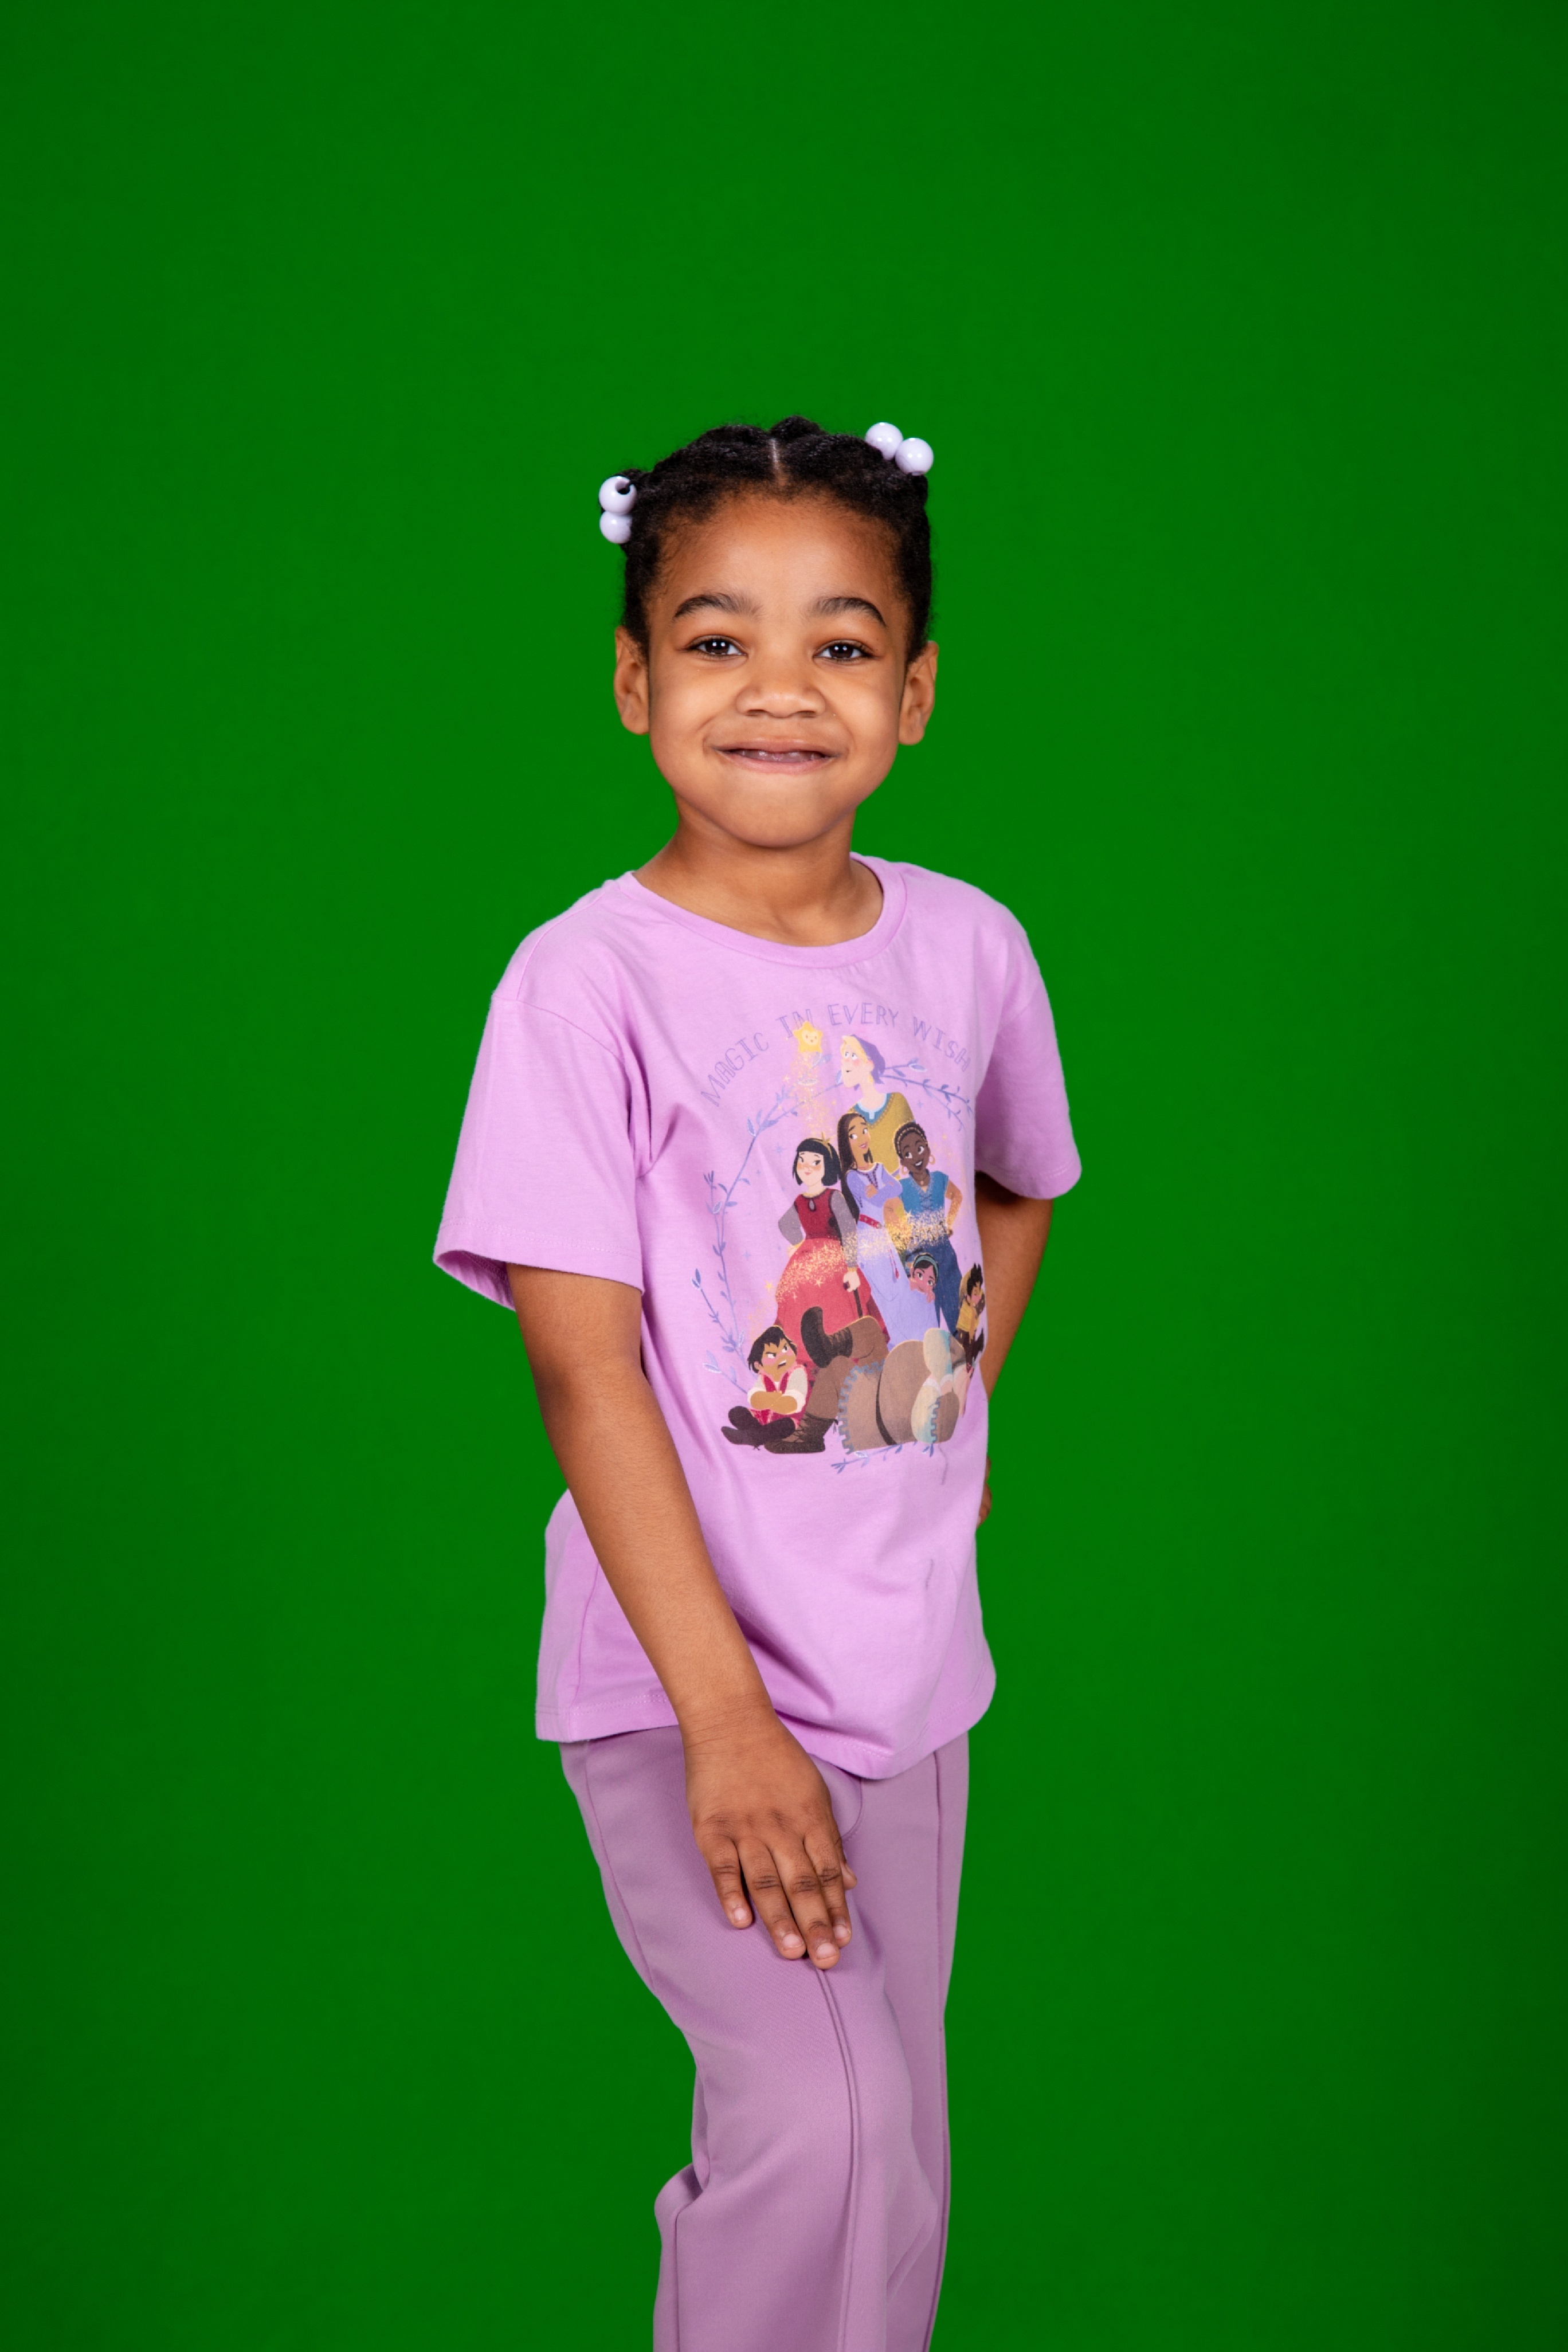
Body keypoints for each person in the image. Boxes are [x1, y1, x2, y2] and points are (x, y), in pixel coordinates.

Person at [434, 414, 1081, 2352]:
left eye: (840, 642)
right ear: (635, 681)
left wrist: (945, 1412)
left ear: (915, 690)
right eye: (717, 639)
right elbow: (580, 1365)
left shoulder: (970, 947)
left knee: (895, 2164)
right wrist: (724, 1721)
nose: (780, 688)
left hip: (910, 1667)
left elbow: (1015, 1185)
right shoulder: (585, 983)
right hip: (688, 1675)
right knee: (822, 2122)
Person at [774, 1135, 880, 1359]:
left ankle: (846, 1354)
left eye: (815, 1162)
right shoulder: (800, 1200)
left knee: (838, 1308)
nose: (807, 1167)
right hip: (807, 1261)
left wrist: (852, 1269)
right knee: (803, 1303)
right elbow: (785, 1224)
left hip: (834, 1261)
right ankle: (809, 1356)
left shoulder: (834, 1197)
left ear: (827, 1167)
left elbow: (849, 1231)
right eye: (802, 1160)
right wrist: (798, 1243)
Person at [837, 1107, 933, 1347]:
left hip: (883, 1235)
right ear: (846, 1142)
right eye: (854, 1134)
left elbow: (896, 1188)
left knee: (899, 1284)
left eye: (864, 1130)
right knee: (883, 1290)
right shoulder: (851, 1177)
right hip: (868, 1238)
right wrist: (883, 1190)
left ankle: (911, 1338)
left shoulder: (878, 1168)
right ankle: (895, 1342)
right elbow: (879, 1198)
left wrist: (881, 1190)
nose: (862, 1137)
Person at [894, 1120, 965, 1333]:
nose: (916, 1156)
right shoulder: (902, 1187)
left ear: (928, 1149)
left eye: (920, 1148)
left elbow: (957, 1196)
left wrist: (949, 1223)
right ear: (903, 1162)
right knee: (926, 1311)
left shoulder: (940, 1179)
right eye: (908, 1154)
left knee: (954, 1302)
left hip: (943, 1249)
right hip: (919, 1255)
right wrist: (904, 1235)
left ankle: (959, 1346)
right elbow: (889, 1211)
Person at [839, 1030, 916, 1172]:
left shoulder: (897, 1102)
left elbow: (915, 1146)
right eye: (845, 1056)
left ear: (869, 1065)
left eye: (853, 1055)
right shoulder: (851, 1116)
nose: (846, 1061)